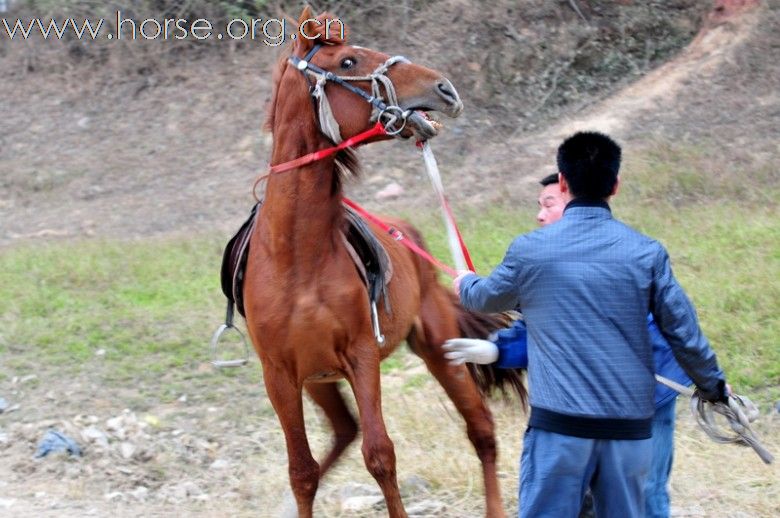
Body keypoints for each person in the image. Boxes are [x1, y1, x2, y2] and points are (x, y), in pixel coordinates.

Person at [450, 132, 728, 518]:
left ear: (563, 183)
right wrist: (714, 387)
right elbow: (684, 333)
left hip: (559, 428)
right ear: (615, 185)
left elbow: (484, 299)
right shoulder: (647, 252)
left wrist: (466, 282)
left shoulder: (530, 250)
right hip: (629, 430)